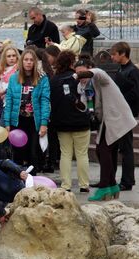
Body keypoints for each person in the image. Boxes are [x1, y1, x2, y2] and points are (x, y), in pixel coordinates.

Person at [74, 60, 137, 201]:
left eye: (82, 72)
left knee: (104, 149)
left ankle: (104, 187)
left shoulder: (100, 76)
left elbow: (95, 72)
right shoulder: (81, 86)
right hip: (106, 121)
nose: (81, 76)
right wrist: (78, 104)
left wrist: (77, 75)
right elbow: (86, 106)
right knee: (101, 150)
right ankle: (112, 185)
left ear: (89, 69)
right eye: (78, 73)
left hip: (118, 117)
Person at [49, 50, 91, 192]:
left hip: (61, 122)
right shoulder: (77, 77)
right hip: (80, 121)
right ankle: (84, 185)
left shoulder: (53, 80)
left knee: (65, 154)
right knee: (82, 154)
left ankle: (66, 185)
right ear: (72, 62)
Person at [4, 49, 51, 174]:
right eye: (26, 60)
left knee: (33, 152)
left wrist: (44, 123)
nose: (28, 62)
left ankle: (33, 178)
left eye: (31, 60)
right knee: (18, 152)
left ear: (35, 62)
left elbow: (45, 101)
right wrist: (7, 122)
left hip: (34, 120)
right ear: (22, 61)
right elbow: (9, 101)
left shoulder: (42, 78)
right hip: (18, 119)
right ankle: (18, 180)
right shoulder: (14, 78)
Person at [110, 41, 139, 191]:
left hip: (126, 115)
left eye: (114, 54)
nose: (112, 57)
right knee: (117, 148)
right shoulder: (121, 70)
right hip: (118, 114)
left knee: (126, 149)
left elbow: (135, 94)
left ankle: (127, 181)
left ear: (123, 54)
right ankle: (111, 178)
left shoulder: (132, 71)